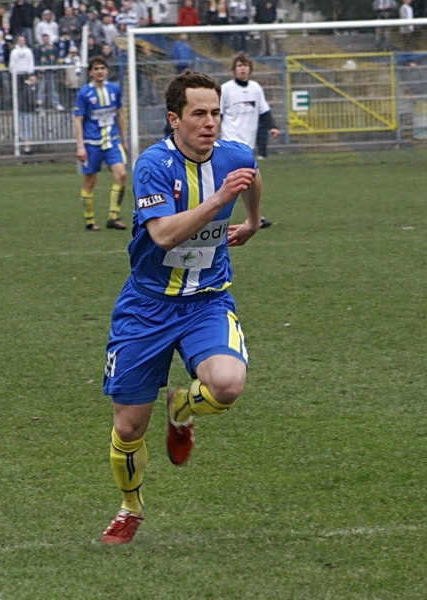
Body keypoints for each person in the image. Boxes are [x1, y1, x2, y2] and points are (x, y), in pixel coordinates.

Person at [100, 69, 264, 545]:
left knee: (228, 386)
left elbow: (251, 175)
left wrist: (251, 221)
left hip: (207, 301)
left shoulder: (234, 155)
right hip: (147, 307)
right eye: (199, 113)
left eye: (215, 112)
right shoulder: (153, 164)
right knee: (129, 427)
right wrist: (220, 199)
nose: (209, 122)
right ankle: (130, 508)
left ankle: (181, 409)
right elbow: (164, 235)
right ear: (175, 119)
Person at [220, 52, 278, 228]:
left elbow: (263, 111)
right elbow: (218, 113)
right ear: (233, 70)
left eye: (245, 66)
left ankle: (252, 218)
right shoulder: (226, 89)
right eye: (239, 66)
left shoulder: (255, 88)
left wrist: (272, 127)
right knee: (242, 181)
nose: (243, 69)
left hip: (247, 145)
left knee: (246, 182)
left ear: (250, 69)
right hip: (230, 141)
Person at [73, 56, 129, 231]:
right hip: (92, 143)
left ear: (107, 70)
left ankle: (113, 216)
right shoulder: (84, 93)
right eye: (96, 68)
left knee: (121, 174)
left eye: (102, 68)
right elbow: (78, 120)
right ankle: (89, 220)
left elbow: (119, 114)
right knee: (90, 180)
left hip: (112, 141)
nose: (99, 71)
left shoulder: (114, 89)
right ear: (91, 72)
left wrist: (124, 138)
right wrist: (80, 145)